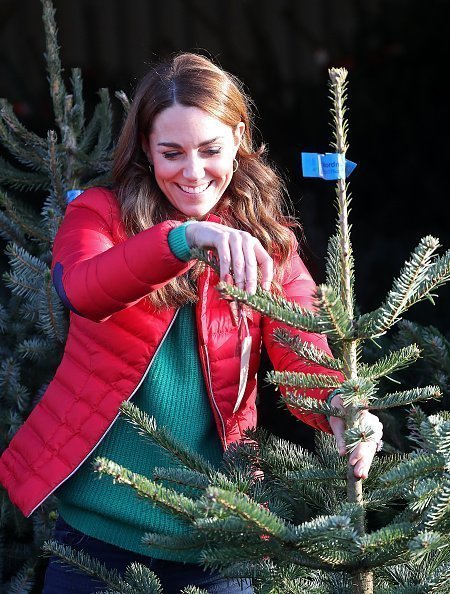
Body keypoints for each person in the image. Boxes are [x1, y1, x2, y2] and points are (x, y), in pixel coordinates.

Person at [0, 52, 383, 593]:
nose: (193, 172)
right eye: (171, 153)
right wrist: (184, 239)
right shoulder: (99, 213)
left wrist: (343, 407)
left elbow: (305, 353)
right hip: (98, 539)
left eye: (210, 150)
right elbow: (83, 290)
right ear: (146, 152)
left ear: (238, 139)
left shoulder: (270, 244)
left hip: (220, 536)